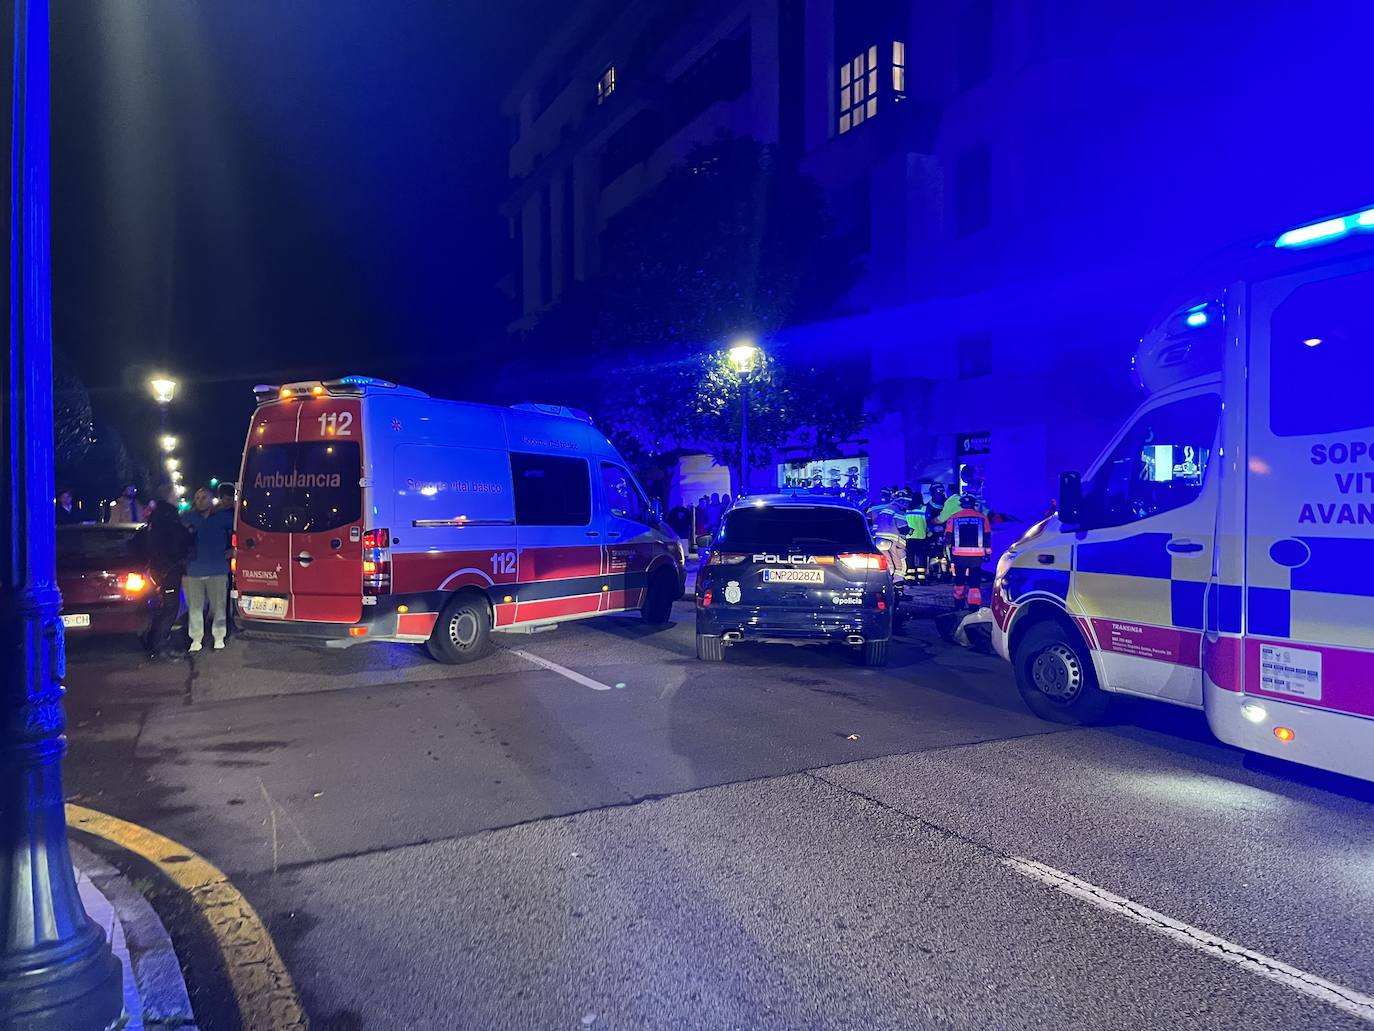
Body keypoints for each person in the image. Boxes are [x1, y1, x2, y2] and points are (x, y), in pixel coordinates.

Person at [137, 486, 193, 661]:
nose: (178, 497)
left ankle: (158, 645)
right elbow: (175, 541)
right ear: (169, 496)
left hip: (162, 568)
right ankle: (160, 648)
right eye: (175, 494)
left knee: (167, 608)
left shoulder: (158, 516)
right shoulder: (167, 517)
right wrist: (188, 535)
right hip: (169, 569)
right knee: (170, 609)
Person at [182, 487, 234, 652]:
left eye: (204, 497)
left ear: (211, 499)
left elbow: (237, 532)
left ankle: (219, 636)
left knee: (219, 606)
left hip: (217, 568)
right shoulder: (188, 518)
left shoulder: (223, 517)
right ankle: (196, 638)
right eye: (197, 498)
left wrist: (233, 550)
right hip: (193, 570)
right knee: (195, 607)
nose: (200, 500)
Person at [945, 492, 992, 609]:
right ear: (973, 504)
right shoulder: (982, 517)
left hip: (959, 555)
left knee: (959, 580)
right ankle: (973, 605)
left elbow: (948, 537)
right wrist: (987, 553)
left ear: (961, 504)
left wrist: (948, 550)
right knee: (974, 582)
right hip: (977, 556)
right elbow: (987, 536)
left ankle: (959, 604)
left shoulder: (954, 517)